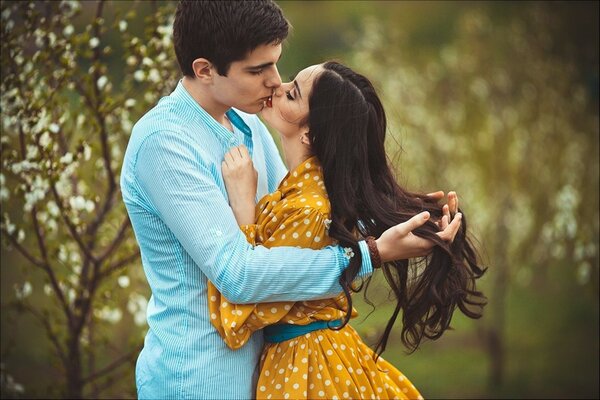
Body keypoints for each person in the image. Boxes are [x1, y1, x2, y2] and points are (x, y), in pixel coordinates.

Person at [120, 1, 462, 398]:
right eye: (257, 70)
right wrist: (369, 255)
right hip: (201, 378)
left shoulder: (248, 123)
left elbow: (307, 225)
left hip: (274, 371)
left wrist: (408, 219)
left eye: (275, 64)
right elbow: (239, 275)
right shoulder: (165, 143)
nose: (274, 82)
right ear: (204, 70)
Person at [208, 61, 487, 399]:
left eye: (292, 93)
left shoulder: (306, 209)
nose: (278, 86)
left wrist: (242, 209)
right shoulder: (311, 193)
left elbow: (240, 311)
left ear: (312, 134)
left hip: (307, 367)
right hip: (317, 355)